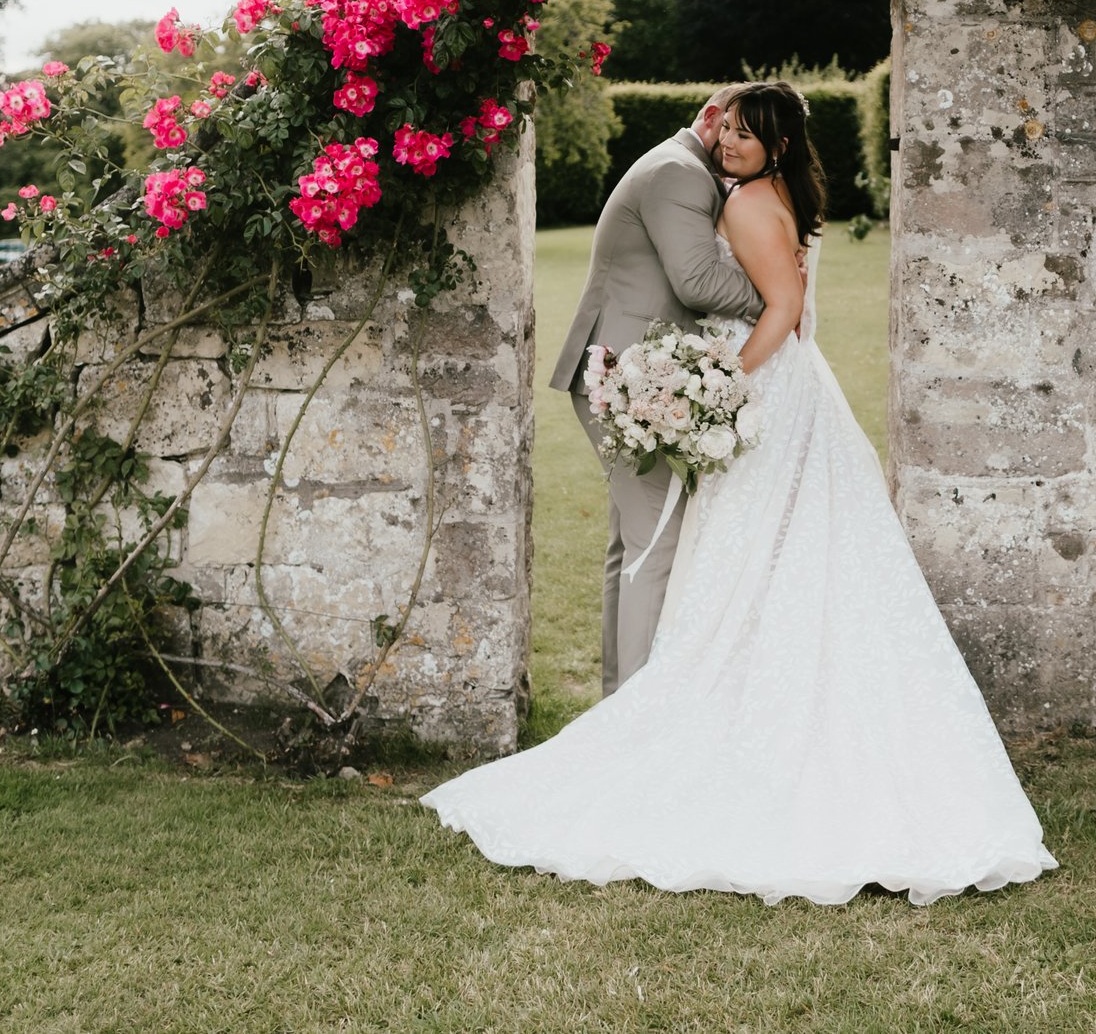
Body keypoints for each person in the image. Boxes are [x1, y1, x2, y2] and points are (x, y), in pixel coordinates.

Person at [426, 81, 1056, 906]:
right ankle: (645, 704)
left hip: (747, 382)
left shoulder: (746, 198)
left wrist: (723, 374)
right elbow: (750, 290)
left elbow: (753, 296)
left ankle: (646, 710)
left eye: (748, 135)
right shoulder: (728, 184)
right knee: (708, 546)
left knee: (693, 547)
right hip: (717, 379)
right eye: (727, 128)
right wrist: (743, 341)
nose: (730, 143)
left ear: (778, 147)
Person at [543, 84, 763, 694]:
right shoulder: (678, 172)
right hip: (629, 381)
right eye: (734, 130)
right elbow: (695, 282)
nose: (736, 145)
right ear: (712, 118)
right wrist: (776, 299)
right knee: (656, 543)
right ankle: (634, 711)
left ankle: (621, 697)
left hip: (624, 373)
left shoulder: (675, 164)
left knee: (633, 541)